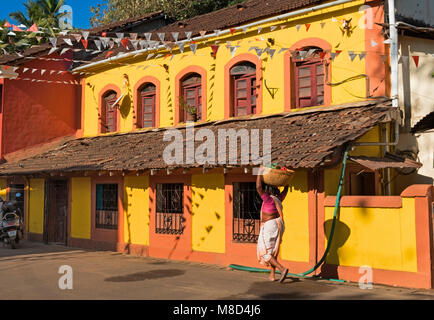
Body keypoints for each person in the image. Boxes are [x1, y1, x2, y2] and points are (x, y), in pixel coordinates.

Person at [256, 167, 289, 283]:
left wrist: (259, 173)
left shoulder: (268, 199)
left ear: (268, 190)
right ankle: (272, 275)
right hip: (278, 224)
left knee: (264, 252)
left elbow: (258, 187)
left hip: (270, 225)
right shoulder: (278, 198)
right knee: (274, 251)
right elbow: (285, 190)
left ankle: (282, 269)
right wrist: (286, 181)